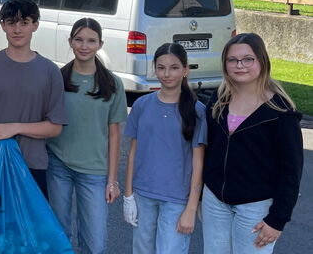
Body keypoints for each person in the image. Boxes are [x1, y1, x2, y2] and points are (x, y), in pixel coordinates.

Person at [202, 33, 303, 253]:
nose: (240, 65)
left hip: (255, 207)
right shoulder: (218, 99)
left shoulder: (281, 111)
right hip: (215, 202)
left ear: (262, 61)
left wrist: (278, 219)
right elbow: (207, 149)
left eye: (248, 59)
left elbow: (291, 170)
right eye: (232, 60)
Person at [0, 0, 66, 198]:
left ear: (35, 25)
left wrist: (14, 128)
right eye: (11, 23)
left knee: (29, 229)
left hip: (32, 165)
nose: (18, 29)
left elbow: (55, 126)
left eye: (25, 23)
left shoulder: (50, 71)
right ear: (3, 26)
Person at [45, 17, 127, 254]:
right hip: (57, 165)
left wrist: (112, 180)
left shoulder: (112, 84)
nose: (84, 46)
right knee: (58, 235)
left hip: (94, 171)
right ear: (70, 41)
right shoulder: (57, 78)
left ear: (100, 44)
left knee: (95, 242)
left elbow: (114, 134)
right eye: (79, 39)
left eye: (91, 41)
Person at [122, 43, 206, 254]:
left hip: (177, 199)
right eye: (161, 67)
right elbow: (133, 152)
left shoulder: (197, 111)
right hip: (143, 194)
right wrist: (128, 195)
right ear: (154, 69)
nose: (167, 73)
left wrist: (191, 208)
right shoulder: (142, 105)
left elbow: (198, 163)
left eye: (174, 67)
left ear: (185, 70)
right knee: (142, 250)